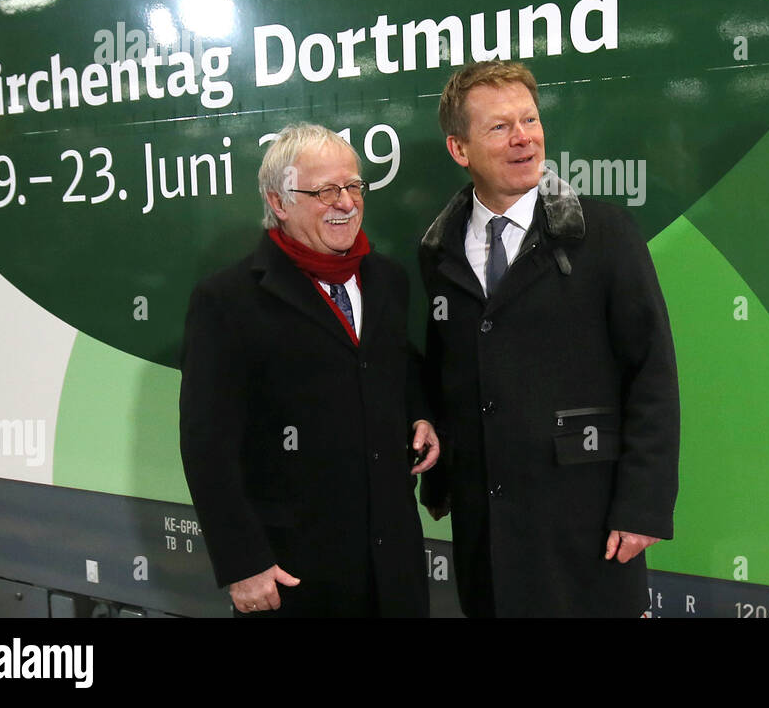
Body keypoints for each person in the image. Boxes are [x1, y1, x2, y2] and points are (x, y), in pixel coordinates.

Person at [419, 61, 680, 617]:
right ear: (459, 149)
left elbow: (652, 372)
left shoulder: (604, 234)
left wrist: (643, 506)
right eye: (499, 127)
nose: (523, 138)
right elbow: (444, 370)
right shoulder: (437, 253)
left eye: (530, 120)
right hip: (485, 530)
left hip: (585, 527)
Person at [179, 123, 439, 617]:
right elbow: (206, 443)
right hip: (293, 574)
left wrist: (421, 414)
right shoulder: (227, 301)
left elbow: (396, 364)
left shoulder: (388, 280)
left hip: (394, 568)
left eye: (353, 186)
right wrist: (242, 563)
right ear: (279, 202)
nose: (346, 202)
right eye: (325, 191)